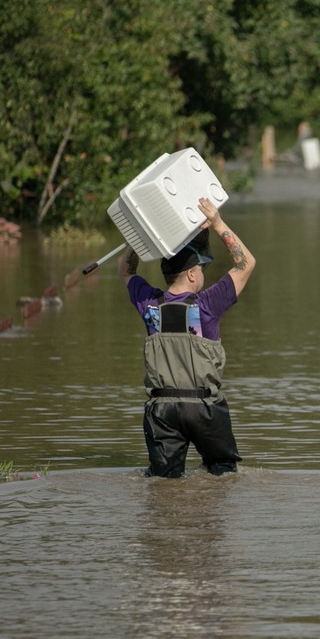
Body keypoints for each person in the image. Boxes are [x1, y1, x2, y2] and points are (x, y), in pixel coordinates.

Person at [118, 198, 257, 477]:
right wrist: (217, 223)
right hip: (204, 408)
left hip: (162, 411)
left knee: (163, 482)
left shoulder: (149, 304)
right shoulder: (206, 305)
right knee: (224, 476)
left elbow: (125, 270)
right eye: (202, 270)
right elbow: (246, 264)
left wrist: (139, 235)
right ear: (193, 274)